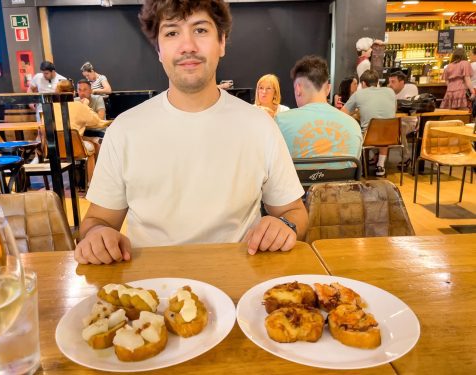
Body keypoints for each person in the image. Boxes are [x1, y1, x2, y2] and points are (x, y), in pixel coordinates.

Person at [74, 0, 308, 265]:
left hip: (239, 283)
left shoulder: (260, 126)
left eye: (200, 30)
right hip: (154, 291)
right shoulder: (125, 130)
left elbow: (294, 212)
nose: (187, 46)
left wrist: (284, 225)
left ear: (221, 42)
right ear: (159, 50)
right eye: (172, 32)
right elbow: (98, 220)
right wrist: (97, 234)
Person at [275, 56, 362, 170]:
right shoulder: (353, 125)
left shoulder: (280, 121)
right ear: (328, 88)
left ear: (298, 88)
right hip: (341, 187)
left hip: (296, 187)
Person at [341, 69, 396, 177]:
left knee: (355, 132)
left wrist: (357, 113)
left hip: (369, 137)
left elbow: (343, 113)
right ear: (377, 82)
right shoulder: (390, 92)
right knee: (383, 127)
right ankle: (380, 165)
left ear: (363, 83)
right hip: (391, 136)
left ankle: (357, 167)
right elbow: (392, 111)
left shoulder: (359, 94)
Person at [388, 71, 418, 169]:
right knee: (377, 126)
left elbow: (408, 105)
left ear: (402, 82)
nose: (390, 85)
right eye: (389, 82)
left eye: (393, 82)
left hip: (409, 121)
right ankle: (377, 156)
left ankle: (406, 157)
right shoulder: (389, 91)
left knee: (399, 128)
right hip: (393, 121)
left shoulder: (411, 88)